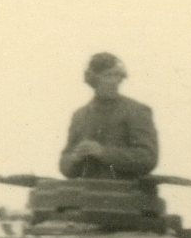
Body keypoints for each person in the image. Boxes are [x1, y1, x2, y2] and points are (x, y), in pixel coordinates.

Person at [59, 52, 159, 180]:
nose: (114, 81)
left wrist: (103, 152)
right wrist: (75, 158)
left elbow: (148, 158)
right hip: (86, 190)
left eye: (118, 76)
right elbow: (64, 164)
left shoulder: (136, 111)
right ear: (93, 80)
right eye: (108, 76)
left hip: (127, 190)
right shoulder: (80, 116)